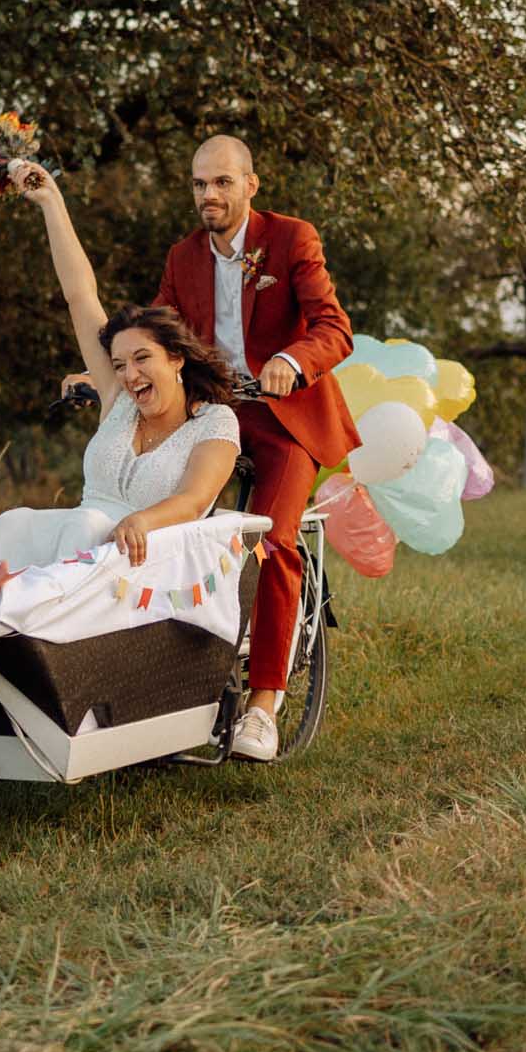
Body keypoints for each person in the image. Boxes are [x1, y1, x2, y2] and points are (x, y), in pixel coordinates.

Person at [151, 135, 358, 762]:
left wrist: (293, 361)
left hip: (285, 416)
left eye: (221, 182)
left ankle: (263, 706)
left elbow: (334, 327)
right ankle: (166, 692)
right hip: (213, 416)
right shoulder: (183, 256)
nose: (209, 195)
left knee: (273, 539)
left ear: (250, 185)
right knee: (166, 529)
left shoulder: (292, 238)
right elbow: (155, 331)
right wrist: (104, 369)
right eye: (198, 185)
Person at [0, 160, 242, 583]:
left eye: (141, 359)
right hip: (81, 553)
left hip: (146, 563)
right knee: (18, 521)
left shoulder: (214, 421)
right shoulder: (119, 402)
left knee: (83, 528)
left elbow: (192, 501)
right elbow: (80, 296)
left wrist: (143, 521)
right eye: (118, 365)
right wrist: (50, 201)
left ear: (176, 358)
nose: (129, 375)